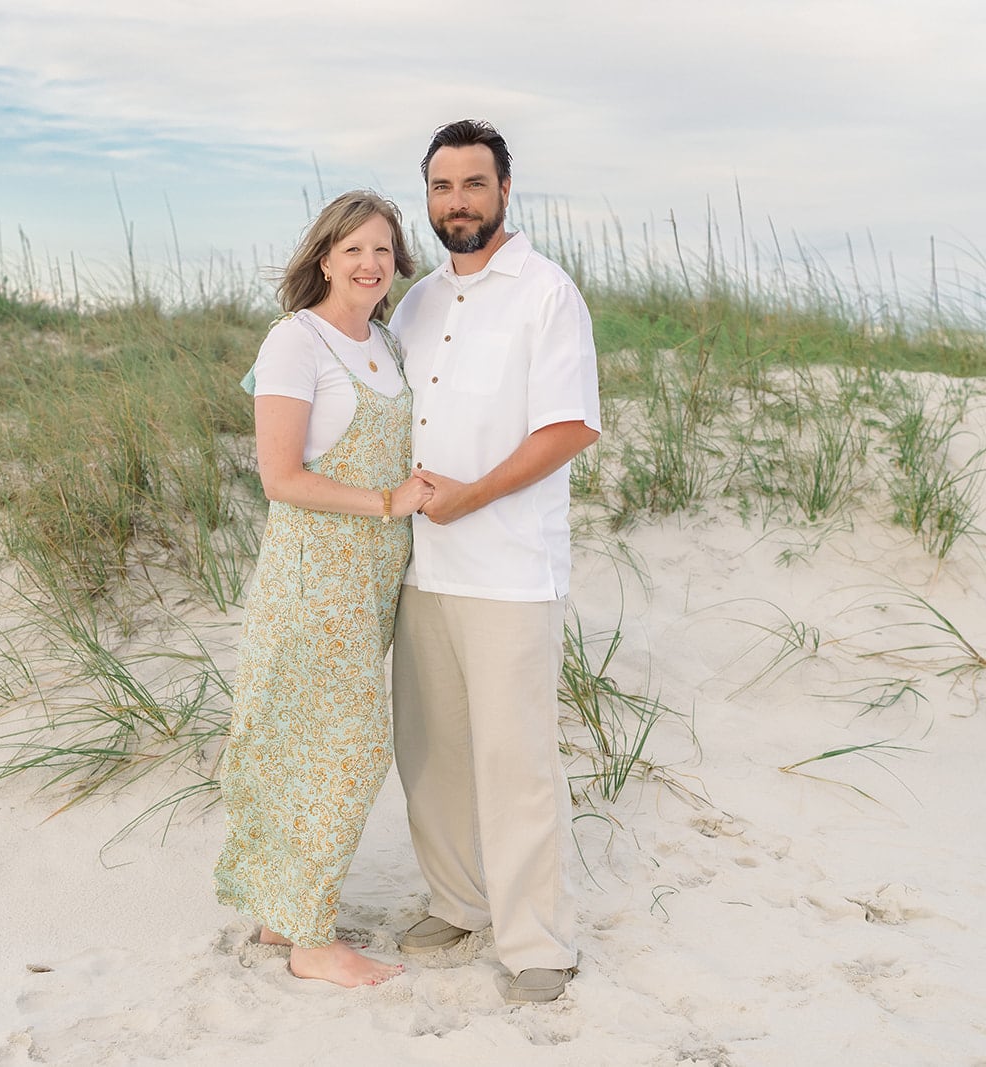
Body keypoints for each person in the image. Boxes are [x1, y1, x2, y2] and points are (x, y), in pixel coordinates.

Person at [389, 120, 602, 1005]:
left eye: (474, 185)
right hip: (418, 571)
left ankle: (534, 940)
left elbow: (568, 427)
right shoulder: (416, 303)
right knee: (431, 753)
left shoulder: (547, 294)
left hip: (509, 569)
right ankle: (458, 901)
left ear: (505, 191)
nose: (457, 203)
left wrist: (471, 497)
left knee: (515, 761)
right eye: (442, 188)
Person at [214, 191, 433, 989]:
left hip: (370, 579)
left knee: (309, 743)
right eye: (353, 250)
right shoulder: (293, 341)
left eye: (383, 250)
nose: (370, 264)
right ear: (323, 258)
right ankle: (313, 941)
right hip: (317, 574)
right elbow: (281, 478)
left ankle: (286, 909)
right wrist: (387, 502)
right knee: (346, 749)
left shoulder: (384, 341)